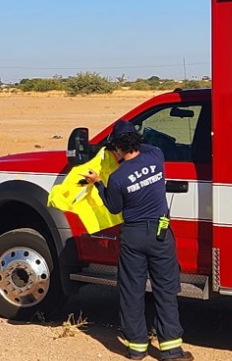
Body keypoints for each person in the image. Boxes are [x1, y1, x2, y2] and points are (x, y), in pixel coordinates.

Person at [82, 120, 193, 361]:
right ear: (137, 139)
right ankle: (171, 350)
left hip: (132, 235)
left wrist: (98, 183)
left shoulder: (119, 178)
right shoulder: (156, 155)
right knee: (165, 289)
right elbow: (154, 143)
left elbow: (113, 208)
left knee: (132, 290)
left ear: (117, 149)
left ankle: (136, 347)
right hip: (160, 232)